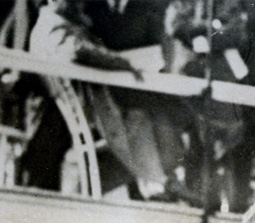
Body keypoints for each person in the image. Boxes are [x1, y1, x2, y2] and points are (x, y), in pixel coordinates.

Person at [29, 0, 194, 203]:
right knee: (148, 120)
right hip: (89, 121)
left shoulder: (60, 25)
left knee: (148, 117)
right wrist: (121, 63)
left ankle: (160, 181)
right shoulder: (53, 25)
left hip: (90, 120)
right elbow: (78, 50)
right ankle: (159, 182)